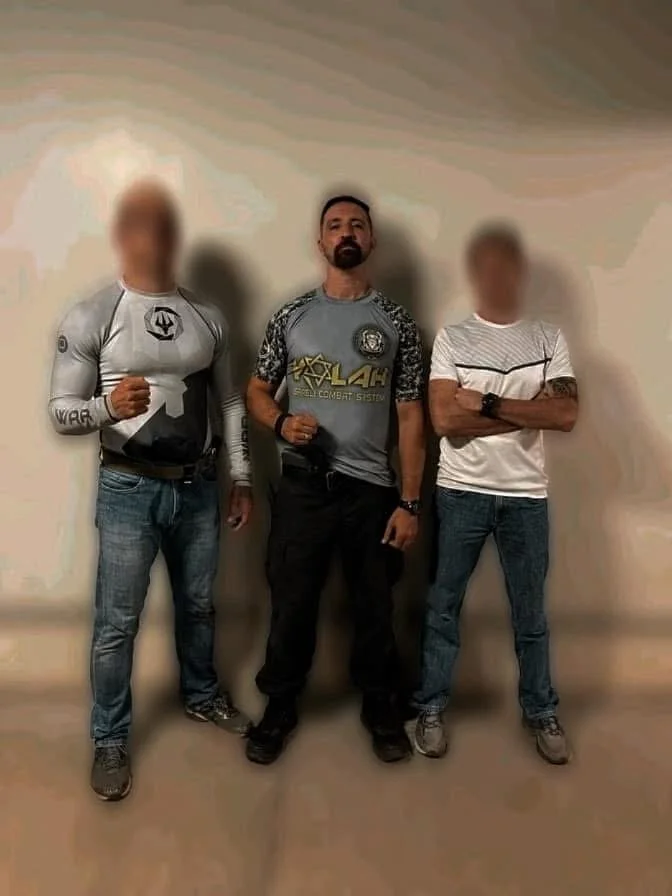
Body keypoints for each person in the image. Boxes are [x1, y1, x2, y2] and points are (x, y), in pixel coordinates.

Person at [48, 180, 253, 801]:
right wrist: (107, 407)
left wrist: (243, 477)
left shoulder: (207, 316)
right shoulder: (93, 314)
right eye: (140, 223)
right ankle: (110, 738)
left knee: (199, 605)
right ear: (120, 234)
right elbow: (61, 411)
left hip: (198, 487)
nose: (155, 236)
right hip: (128, 489)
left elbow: (231, 403)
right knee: (117, 623)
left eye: (165, 224)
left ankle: (201, 694)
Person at [245, 194, 425, 765]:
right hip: (304, 488)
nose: (346, 233)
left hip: (372, 492)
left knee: (375, 608)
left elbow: (411, 417)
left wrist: (410, 504)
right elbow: (256, 391)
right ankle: (279, 706)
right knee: (292, 604)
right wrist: (280, 422)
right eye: (334, 225)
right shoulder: (291, 316)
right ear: (319, 242)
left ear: (371, 240)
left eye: (356, 225)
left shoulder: (398, 323)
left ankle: (380, 706)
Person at [412, 222, 578, 765]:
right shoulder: (454, 338)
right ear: (474, 273)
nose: (495, 275)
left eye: (505, 264)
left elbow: (565, 414)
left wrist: (483, 403)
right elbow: (443, 420)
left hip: (526, 496)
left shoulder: (548, 338)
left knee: (530, 615)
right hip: (460, 492)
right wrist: (528, 412)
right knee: (443, 608)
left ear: (519, 271)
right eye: (485, 265)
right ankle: (430, 707)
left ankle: (541, 710)